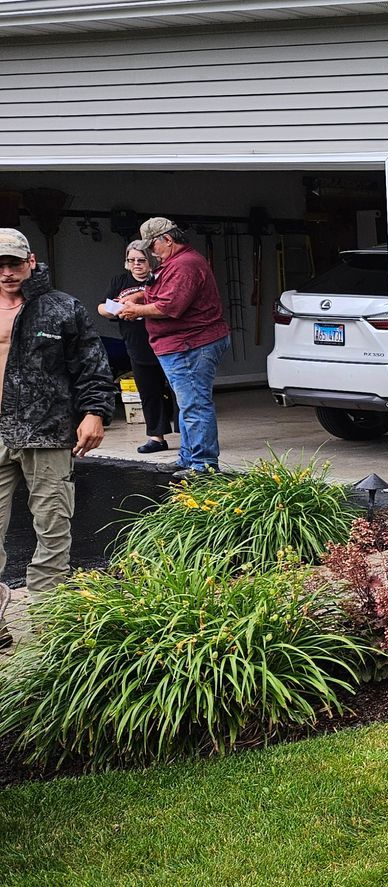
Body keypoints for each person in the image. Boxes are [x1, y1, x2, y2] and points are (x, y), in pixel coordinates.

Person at [0, 228, 116, 650]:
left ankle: (50, 627)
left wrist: (94, 413)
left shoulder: (62, 309)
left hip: (47, 433)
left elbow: (92, 366)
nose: (7, 272)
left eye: (13, 262)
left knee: (52, 530)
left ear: (31, 261)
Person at [117, 217, 226, 479]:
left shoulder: (185, 265)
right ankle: (189, 458)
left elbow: (170, 306)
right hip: (184, 344)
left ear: (167, 239)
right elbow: (164, 293)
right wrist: (139, 294)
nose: (150, 252)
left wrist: (136, 309)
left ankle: (203, 465)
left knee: (195, 405)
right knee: (188, 404)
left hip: (191, 344)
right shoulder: (176, 263)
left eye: (152, 246)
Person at [98, 240, 176, 454]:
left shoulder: (161, 278)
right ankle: (156, 437)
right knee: (148, 391)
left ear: (151, 261)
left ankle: (186, 435)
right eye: (131, 260)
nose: (136, 264)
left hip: (166, 341)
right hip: (136, 343)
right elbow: (103, 307)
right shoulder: (120, 280)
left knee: (178, 390)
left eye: (141, 260)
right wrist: (115, 308)